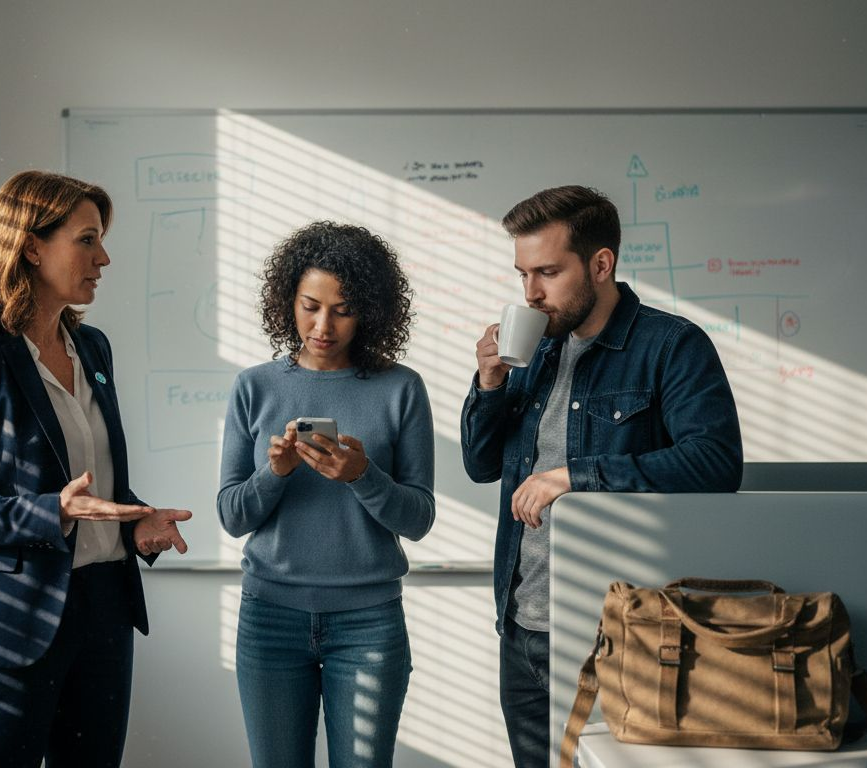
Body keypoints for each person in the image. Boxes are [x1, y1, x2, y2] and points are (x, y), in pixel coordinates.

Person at [0, 170, 193, 767]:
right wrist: (54, 512)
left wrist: (134, 520)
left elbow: (89, 478)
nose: (104, 257)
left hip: (102, 611)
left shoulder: (92, 349)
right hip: (3, 625)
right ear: (31, 245)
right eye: (87, 239)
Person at [460, 185, 743, 767]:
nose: (531, 294)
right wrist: (488, 383)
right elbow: (481, 464)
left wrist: (577, 476)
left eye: (547, 272)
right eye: (522, 275)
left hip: (623, 635)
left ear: (601, 264)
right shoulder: (535, 349)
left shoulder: (672, 346)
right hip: (523, 626)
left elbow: (716, 463)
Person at [217, 221, 436, 768]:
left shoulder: (400, 388)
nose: (323, 325)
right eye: (310, 305)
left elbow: (419, 518)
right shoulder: (254, 386)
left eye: (343, 309)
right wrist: (276, 472)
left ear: (370, 312)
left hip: (369, 623)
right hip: (270, 616)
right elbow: (231, 515)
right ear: (286, 299)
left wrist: (363, 475)